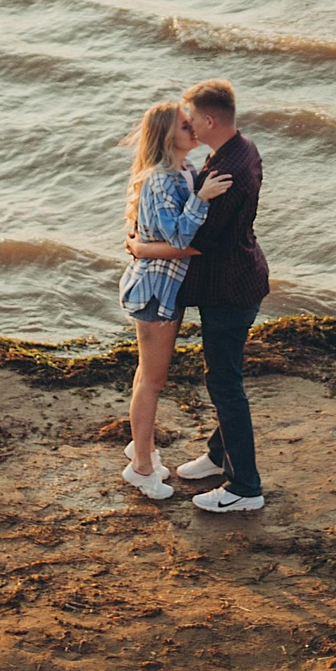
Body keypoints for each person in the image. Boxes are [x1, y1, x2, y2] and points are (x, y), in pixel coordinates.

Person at [125, 78, 266, 513]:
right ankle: (153, 461)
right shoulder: (230, 156)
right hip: (166, 288)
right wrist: (143, 244)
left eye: (191, 122)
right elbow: (173, 223)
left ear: (207, 121)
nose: (189, 127)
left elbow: (200, 239)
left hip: (225, 288)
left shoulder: (212, 171)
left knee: (222, 382)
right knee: (164, 378)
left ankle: (243, 485)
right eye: (181, 124)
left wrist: (142, 246)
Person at [116, 100, 230, 501]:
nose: (194, 129)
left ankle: (140, 445)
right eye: (185, 126)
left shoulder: (184, 171)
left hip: (166, 289)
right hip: (154, 292)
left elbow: (158, 235)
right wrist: (203, 199)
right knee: (152, 380)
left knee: (147, 376)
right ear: (167, 136)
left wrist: (200, 191)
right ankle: (141, 468)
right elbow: (181, 238)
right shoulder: (162, 179)